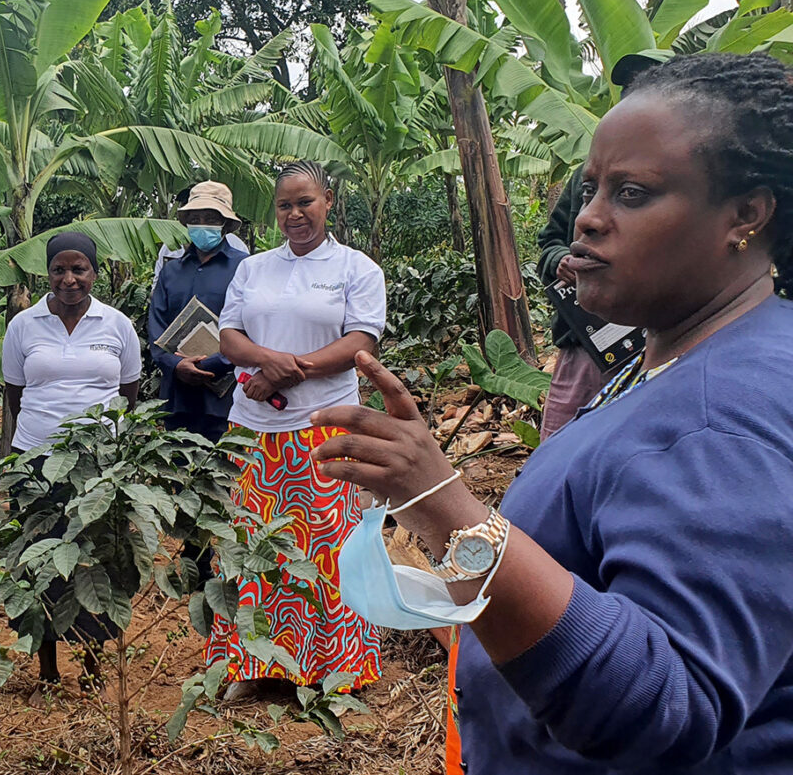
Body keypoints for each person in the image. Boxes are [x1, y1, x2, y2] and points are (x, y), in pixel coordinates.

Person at [310, 53, 793, 774]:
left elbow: (665, 704)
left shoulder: (728, 409)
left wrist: (446, 507)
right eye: (591, 188)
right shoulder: (677, 352)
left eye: (632, 193)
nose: (589, 219)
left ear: (746, 216)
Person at [205, 160, 386, 700]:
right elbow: (228, 337)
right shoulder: (253, 269)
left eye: (305, 202)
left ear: (327, 201)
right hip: (252, 431)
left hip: (323, 426)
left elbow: (360, 345)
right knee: (251, 547)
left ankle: (340, 673)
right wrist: (266, 366)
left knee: (332, 546)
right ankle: (252, 667)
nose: (295, 214)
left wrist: (286, 370)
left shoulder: (357, 269)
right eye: (285, 205)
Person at [2, 231, 141, 687]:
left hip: (100, 464)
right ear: (47, 272)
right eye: (59, 269)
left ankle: (91, 662)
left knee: (96, 559)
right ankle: (46, 667)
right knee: (39, 558)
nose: (69, 279)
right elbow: (15, 394)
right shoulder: (23, 325)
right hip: (37, 460)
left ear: (94, 272)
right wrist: (45, 436)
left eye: (78, 268)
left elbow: (129, 394)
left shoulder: (117, 324)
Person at [537, 52, 663, 438]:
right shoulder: (586, 174)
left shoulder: (687, 177)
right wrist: (560, 260)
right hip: (589, 339)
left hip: (657, 339)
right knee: (558, 446)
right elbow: (550, 241)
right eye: (628, 90)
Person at [148, 181, 248, 444]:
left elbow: (253, 328)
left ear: (225, 224)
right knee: (177, 473)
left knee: (226, 475)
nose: (202, 224)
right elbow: (156, 328)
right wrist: (177, 365)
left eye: (210, 218)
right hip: (178, 396)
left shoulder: (245, 268)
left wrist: (210, 365)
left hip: (226, 395)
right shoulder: (171, 272)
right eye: (195, 218)